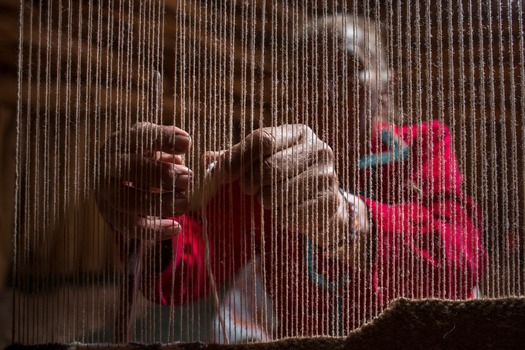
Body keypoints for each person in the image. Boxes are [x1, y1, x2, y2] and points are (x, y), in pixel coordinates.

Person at [96, 15, 487, 342]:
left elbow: (458, 262)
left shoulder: (422, 145)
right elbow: (190, 274)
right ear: (290, 94)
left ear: (386, 86)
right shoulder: (266, 168)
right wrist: (151, 215)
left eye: (349, 68)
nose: (327, 89)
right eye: (309, 74)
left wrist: (346, 217)